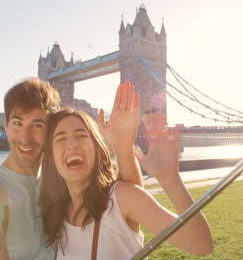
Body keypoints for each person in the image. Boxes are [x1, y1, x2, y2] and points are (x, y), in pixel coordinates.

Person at [0, 77, 142, 260]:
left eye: (37, 125)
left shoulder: (63, 179)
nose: (25, 138)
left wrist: (123, 148)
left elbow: (128, 208)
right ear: (6, 126)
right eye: (17, 123)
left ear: (50, 131)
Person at [40, 109, 214, 260]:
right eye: (60, 139)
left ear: (97, 149)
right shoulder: (57, 215)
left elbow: (201, 245)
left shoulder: (121, 198)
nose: (72, 145)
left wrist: (171, 181)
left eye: (81, 135)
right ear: (51, 158)